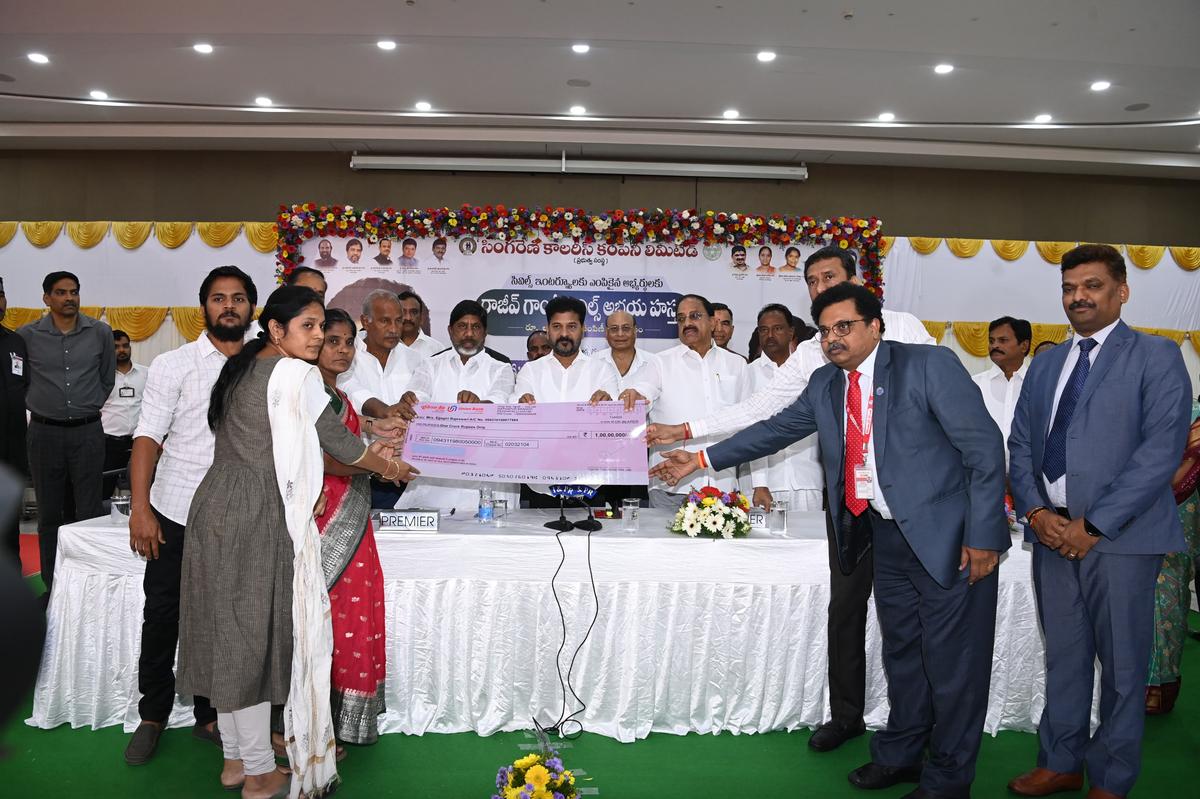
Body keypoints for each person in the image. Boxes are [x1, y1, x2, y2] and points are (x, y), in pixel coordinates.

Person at [653, 282, 1007, 799]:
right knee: (903, 653)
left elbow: (983, 447)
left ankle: (950, 779)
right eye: (825, 331)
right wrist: (700, 458)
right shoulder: (825, 384)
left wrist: (983, 537)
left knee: (954, 665)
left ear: (874, 326)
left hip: (947, 539)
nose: (834, 338)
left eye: (845, 326)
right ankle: (903, 753)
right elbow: (773, 430)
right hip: (883, 538)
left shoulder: (927, 365)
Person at [646, 244, 935, 753]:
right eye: (813, 282)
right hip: (850, 503)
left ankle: (917, 724)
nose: (821, 289)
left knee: (908, 618)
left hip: (914, 504)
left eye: (830, 277)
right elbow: (763, 413)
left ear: (857, 281)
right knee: (845, 611)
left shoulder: (905, 327)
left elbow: (945, 404)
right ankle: (846, 716)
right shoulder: (811, 355)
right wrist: (689, 435)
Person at [177, 286, 415, 798]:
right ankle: (261, 772)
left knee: (230, 633)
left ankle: (237, 760)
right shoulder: (294, 373)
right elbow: (342, 443)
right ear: (277, 330)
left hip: (217, 505)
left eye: (319, 327)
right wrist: (392, 465)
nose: (317, 337)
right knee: (253, 641)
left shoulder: (243, 365)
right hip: (255, 513)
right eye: (307, 327)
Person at [1007, 244, 1192, 799]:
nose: (1078, 297)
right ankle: (1060, 761)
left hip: (1121, 540)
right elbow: (1020, 445)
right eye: (1069, 288)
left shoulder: (1156, 356)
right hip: (1050, 537)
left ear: (1121, 291)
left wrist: (1094, 525)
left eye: (1091, 286)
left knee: (1123, 668)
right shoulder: (1044, 362)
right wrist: (1038, 513)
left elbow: (1160, 453)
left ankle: (1111, 777)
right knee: (1063, 657)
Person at [123, 266, 258, 765]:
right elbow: (146, 440)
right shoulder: (173, 365)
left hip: (239, 517)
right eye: (219, 298)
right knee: (163, 616)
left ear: (251, 308)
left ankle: (210, 716)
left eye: (238, 298)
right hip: (176, 511)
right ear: (203, 307)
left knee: (225, 620)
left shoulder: (263, 364)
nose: (229, 306)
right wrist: (141, 511)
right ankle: (153, 715)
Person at [312, 308, 404, 748]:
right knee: (326, 617)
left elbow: (354, 447)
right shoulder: (308, 391)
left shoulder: (339, 396)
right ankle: (314, 723)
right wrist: (384, 465)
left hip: (353, 514)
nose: (343, 349)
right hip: (323, 517)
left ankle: (342, 719)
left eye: (349, 341)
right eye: (333, 340)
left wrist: (381, 449)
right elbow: (322, 458)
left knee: (354, 612)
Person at [18, 271, 115, 592]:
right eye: (61, 293)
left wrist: (87, 405)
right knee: (49, 515)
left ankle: (87, 587)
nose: (69, 298)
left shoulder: (99, 332)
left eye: (74, 292)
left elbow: (107, 379)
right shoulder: (27, 336)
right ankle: (53, 586)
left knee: (88, 512)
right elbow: (22, 381)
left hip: (87, 432)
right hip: (44, 434)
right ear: (47, 298)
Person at [623, 294, 748, 507]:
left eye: (694, 316)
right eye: (681, 319)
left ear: (712, 322)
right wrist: (637, 396)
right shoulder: (660, 362)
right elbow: (645, 390)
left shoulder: (737, 364)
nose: (687, 323)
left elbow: (748, 420)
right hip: (671, 486)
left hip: (722, 485)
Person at [401, 300, 518, 513]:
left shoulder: (501, 367)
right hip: (436, 481)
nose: (469, 333)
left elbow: (499, 402)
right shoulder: (431, 364)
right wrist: (410, 400)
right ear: (450, 330)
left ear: (485, 332)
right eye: (462, 326)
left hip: (486, 478)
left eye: (476, 327)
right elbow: (418, 398)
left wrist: (479, 407)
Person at [514, 296, 619, 506]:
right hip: (540, 487)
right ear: (547, 329)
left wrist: (610, 408)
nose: (564, 334)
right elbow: (517, 417)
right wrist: (520, 408)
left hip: (590, 486)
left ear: (583, 329)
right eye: (557, 326)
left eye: (571, 326)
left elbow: (616, 427)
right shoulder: (530, 371)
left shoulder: (602, 371)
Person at [339, 289, 432, 508]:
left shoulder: (417, 360)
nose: (393, 329)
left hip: (405, 476)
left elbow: (422, 397)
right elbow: (348, 389)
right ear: (365, 321)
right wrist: (385, 410)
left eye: (398, 321)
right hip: (356, 472)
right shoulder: (347, 355)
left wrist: (411, 404)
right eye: (384, 321)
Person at [1146, 395, 1200, 715]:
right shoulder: (1137, 404)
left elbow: (1189, 468)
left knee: (1169, 600)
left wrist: (1145, 493)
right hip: (1133, 518)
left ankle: (1159, 687)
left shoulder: (1194, 414)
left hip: (1177, 518)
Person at [745, 304, 822, 512]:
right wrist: (760, 482)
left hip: (807, 480)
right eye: (763, 330)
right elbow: (750, 430)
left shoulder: (812, 371)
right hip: (763, 487)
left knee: (811, 543)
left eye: (777, 328)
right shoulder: (747, 374)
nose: (770, 335)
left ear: (791, 332)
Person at [0, 277, 30, 564]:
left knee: (10, 529)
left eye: (1, 296)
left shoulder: (16, 342)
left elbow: (26, 388)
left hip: (11, 457)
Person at [971, 316, 1031, 455]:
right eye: (991, 341)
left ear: (1024, 346)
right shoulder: (974, 384)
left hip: (1027, 473)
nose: (995, 346)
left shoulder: (1039, 385)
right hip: (983, 472)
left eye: (1003, 340)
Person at [100, 329, 147, 497]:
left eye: (125, 346)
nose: (122, 350)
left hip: (139, 442)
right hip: (108, 443)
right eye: (116, 347)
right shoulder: (100, 376)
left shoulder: (146, 373)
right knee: (103, 491)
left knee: (143, 491)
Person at [593, 310, 656, 392]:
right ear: (606, 333)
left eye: (626, 328)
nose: (620, 334)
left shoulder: (653, 363)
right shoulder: (592, 362)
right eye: (614, 329)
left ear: (635, 331)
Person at [397, 290, 445, 356]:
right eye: (403, 312)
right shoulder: (385, 347)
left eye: (413, 312)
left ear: (421, 318)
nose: (408, 318)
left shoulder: (437, 349)